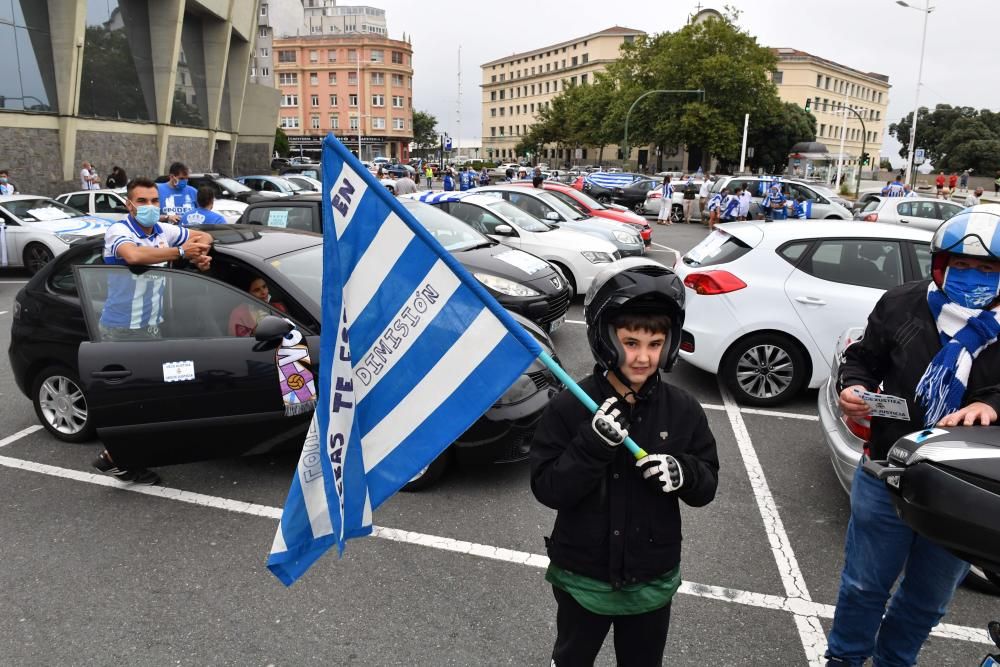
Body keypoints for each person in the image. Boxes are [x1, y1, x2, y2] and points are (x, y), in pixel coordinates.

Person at [825, 205, 1000, 667]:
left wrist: (992, 406)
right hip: (887, 470)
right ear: (941, 265)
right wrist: (853, 387)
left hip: (962, 490)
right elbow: (862, 358)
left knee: (928, 600)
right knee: (864, 586)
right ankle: (843, 661)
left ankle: (894, 662)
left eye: (986, 268)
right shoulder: (902, 302)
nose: (971, 276)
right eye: (960, 265)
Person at [531, 261, 719, 667]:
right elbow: (547, 488)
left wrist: (683, 473)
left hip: (651, 577)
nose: (643, 357)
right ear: (605, 337)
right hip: (583, 576)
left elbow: (707, 484)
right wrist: (591, 445)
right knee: (571, 658)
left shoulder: (682, 409)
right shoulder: (570, 406)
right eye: (631, 342)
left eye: (655, 344)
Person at [92, 176, 213, 485]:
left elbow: (203, 236)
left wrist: (198, 254)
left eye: (154, 201)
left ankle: (120, 455)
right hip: (121, 329)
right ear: (129, 204)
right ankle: (117, 459)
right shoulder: (119, 231)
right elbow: (135, 256)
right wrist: (183, 253)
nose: (149, 207)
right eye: (142, 202)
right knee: (132, 401)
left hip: (152, 327)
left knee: (155, 396)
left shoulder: (164, 230)